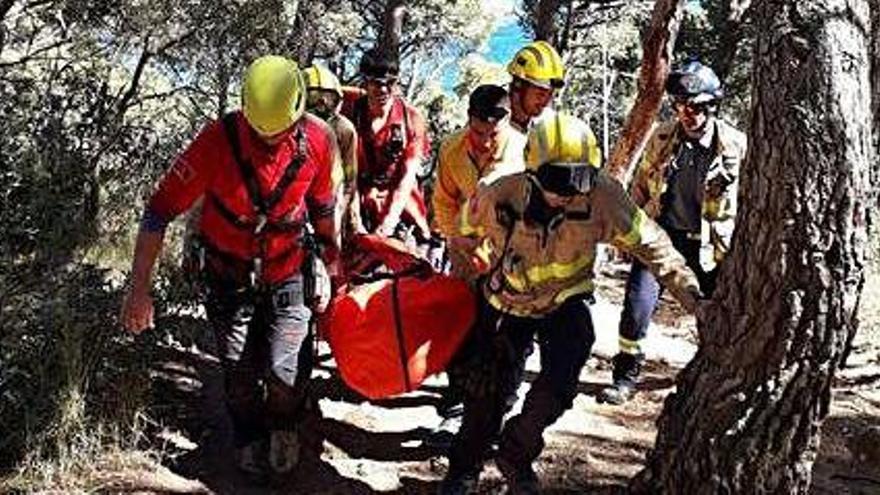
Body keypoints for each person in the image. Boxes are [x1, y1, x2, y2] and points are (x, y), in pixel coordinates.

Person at [439, 113, 703, 494]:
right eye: (555, 182)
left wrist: (694, 299)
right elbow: (461, 234)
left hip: (565, 302)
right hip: (506, 305)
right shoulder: (499, 193)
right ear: (532, 172)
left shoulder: (605, 196)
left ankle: (516, 453)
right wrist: (471, 282)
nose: (566, 193)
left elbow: (653, 245)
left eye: (577, 181)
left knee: (558, 390)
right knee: (485, 398)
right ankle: (462, 472)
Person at [120, 55, 342, 479]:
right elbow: (159, 210)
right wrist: (139, 289)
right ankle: (248, 436)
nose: (269, 144)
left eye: (278, 135)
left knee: (285, 370)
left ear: (298, 113)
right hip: (227, 274)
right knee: (238, 374)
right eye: (260, 135)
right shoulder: (215, 142)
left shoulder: (318, 140)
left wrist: (331, 270)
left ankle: (284, 425)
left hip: (289, 267)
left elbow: (324, 209)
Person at [598, 60, 747, 405]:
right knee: (636, 307)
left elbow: (753, 197)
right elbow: (639, 188)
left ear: (712, 106)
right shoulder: (662, 137)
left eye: (694, 106)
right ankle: (625, 377)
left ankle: (711, 378)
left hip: (712, 245)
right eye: (680, 105)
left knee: (712, 314)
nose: (686, 113)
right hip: (660, 240)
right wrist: (628, 233)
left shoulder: (737, 146)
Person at [432, 84, 526, 281]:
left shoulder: (525, 154)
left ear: (507, 123)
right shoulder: (450, 149)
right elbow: (443, 202)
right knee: (462, 302)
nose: (484, 143)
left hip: (509, 249)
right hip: (463, 246)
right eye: (477, 132)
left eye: (493, 135)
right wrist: (455, 238)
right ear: (469, 119)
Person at [341, 48, 431, 241]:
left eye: (390, 83)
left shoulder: (411, 119)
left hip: (399, 201)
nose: (383, 90)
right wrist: (355, 220)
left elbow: (406, 179)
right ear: (364, 82)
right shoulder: (349, 109)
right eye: (376, 83)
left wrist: (387, 226)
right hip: (356, 196)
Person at [303, 63, 363, 246]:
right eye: (314, 96)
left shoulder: (344, 129)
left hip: (333, 199)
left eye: (328, 98)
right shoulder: (288, 126)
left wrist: (338, 215)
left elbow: (349, 181)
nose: (321, 104)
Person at [506, 40, 565, 135]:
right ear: (518, 85)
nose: (545, 102)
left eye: (550, 94)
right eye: (540, 93)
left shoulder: (543, 129)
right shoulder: (488, 124)